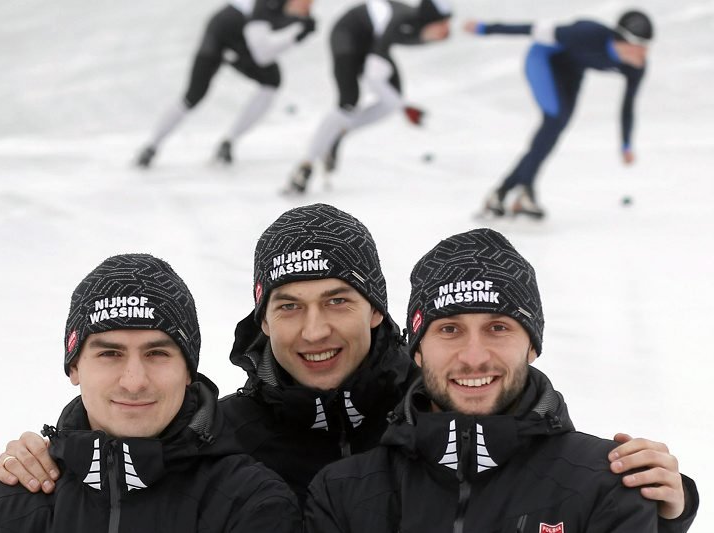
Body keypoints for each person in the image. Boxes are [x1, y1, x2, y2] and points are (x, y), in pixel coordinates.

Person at [0, 206, 695, 528]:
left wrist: (667, 498)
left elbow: (537, 472)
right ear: (262, 321)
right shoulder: (219, 435)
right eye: (288, 307)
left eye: (338, 300)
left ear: (381, 314)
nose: (315, 329)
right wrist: (52, 450)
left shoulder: (449, 395)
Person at [305, 228, 699, 532]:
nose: (474, 357)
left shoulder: (604, 484)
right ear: (418, 350)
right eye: (449, 330)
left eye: (497, 328)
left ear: (532, 345)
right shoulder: (345, 493)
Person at [0, 254, 300, 532]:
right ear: (75, 367)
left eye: (157, 354)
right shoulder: (6, 512)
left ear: (187, 371)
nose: (134, 381)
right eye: (110, 354)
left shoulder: (248, 504)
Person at [465, 10, 653, 219]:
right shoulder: (586, 33)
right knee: (556, 119)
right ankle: (523, 189)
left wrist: (626, 144)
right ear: (623, 41)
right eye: (641, 47)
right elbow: (533, 29)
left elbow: (627, 106)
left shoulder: (636, 66)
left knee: (555, 127)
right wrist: (486, 28)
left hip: (572, 72)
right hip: (543, 59)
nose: (644, 55)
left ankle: (502, 192)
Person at [283, 0, 453, 194]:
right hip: (346, 34)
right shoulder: (400, 22)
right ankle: (306, 165)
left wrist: (401, 105)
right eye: (442, 24)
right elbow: (374, 77)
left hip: (370, 42)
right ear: (428, 20)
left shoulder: (420, 27)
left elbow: (385, 82)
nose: (446, 31)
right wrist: (405, 108)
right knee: (348, 103)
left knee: (391, 100)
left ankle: (337, 133)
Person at [135, 0, 316, 168]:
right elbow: (262, 54)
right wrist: (296, 36)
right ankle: (151, 145)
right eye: (308, 2)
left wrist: (296, 31)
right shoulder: (267, 4)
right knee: (193, 95)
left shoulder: (290, 11)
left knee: (271, 82)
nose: (309, 7)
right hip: (219, 35)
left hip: (242, 41)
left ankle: (228, 142)